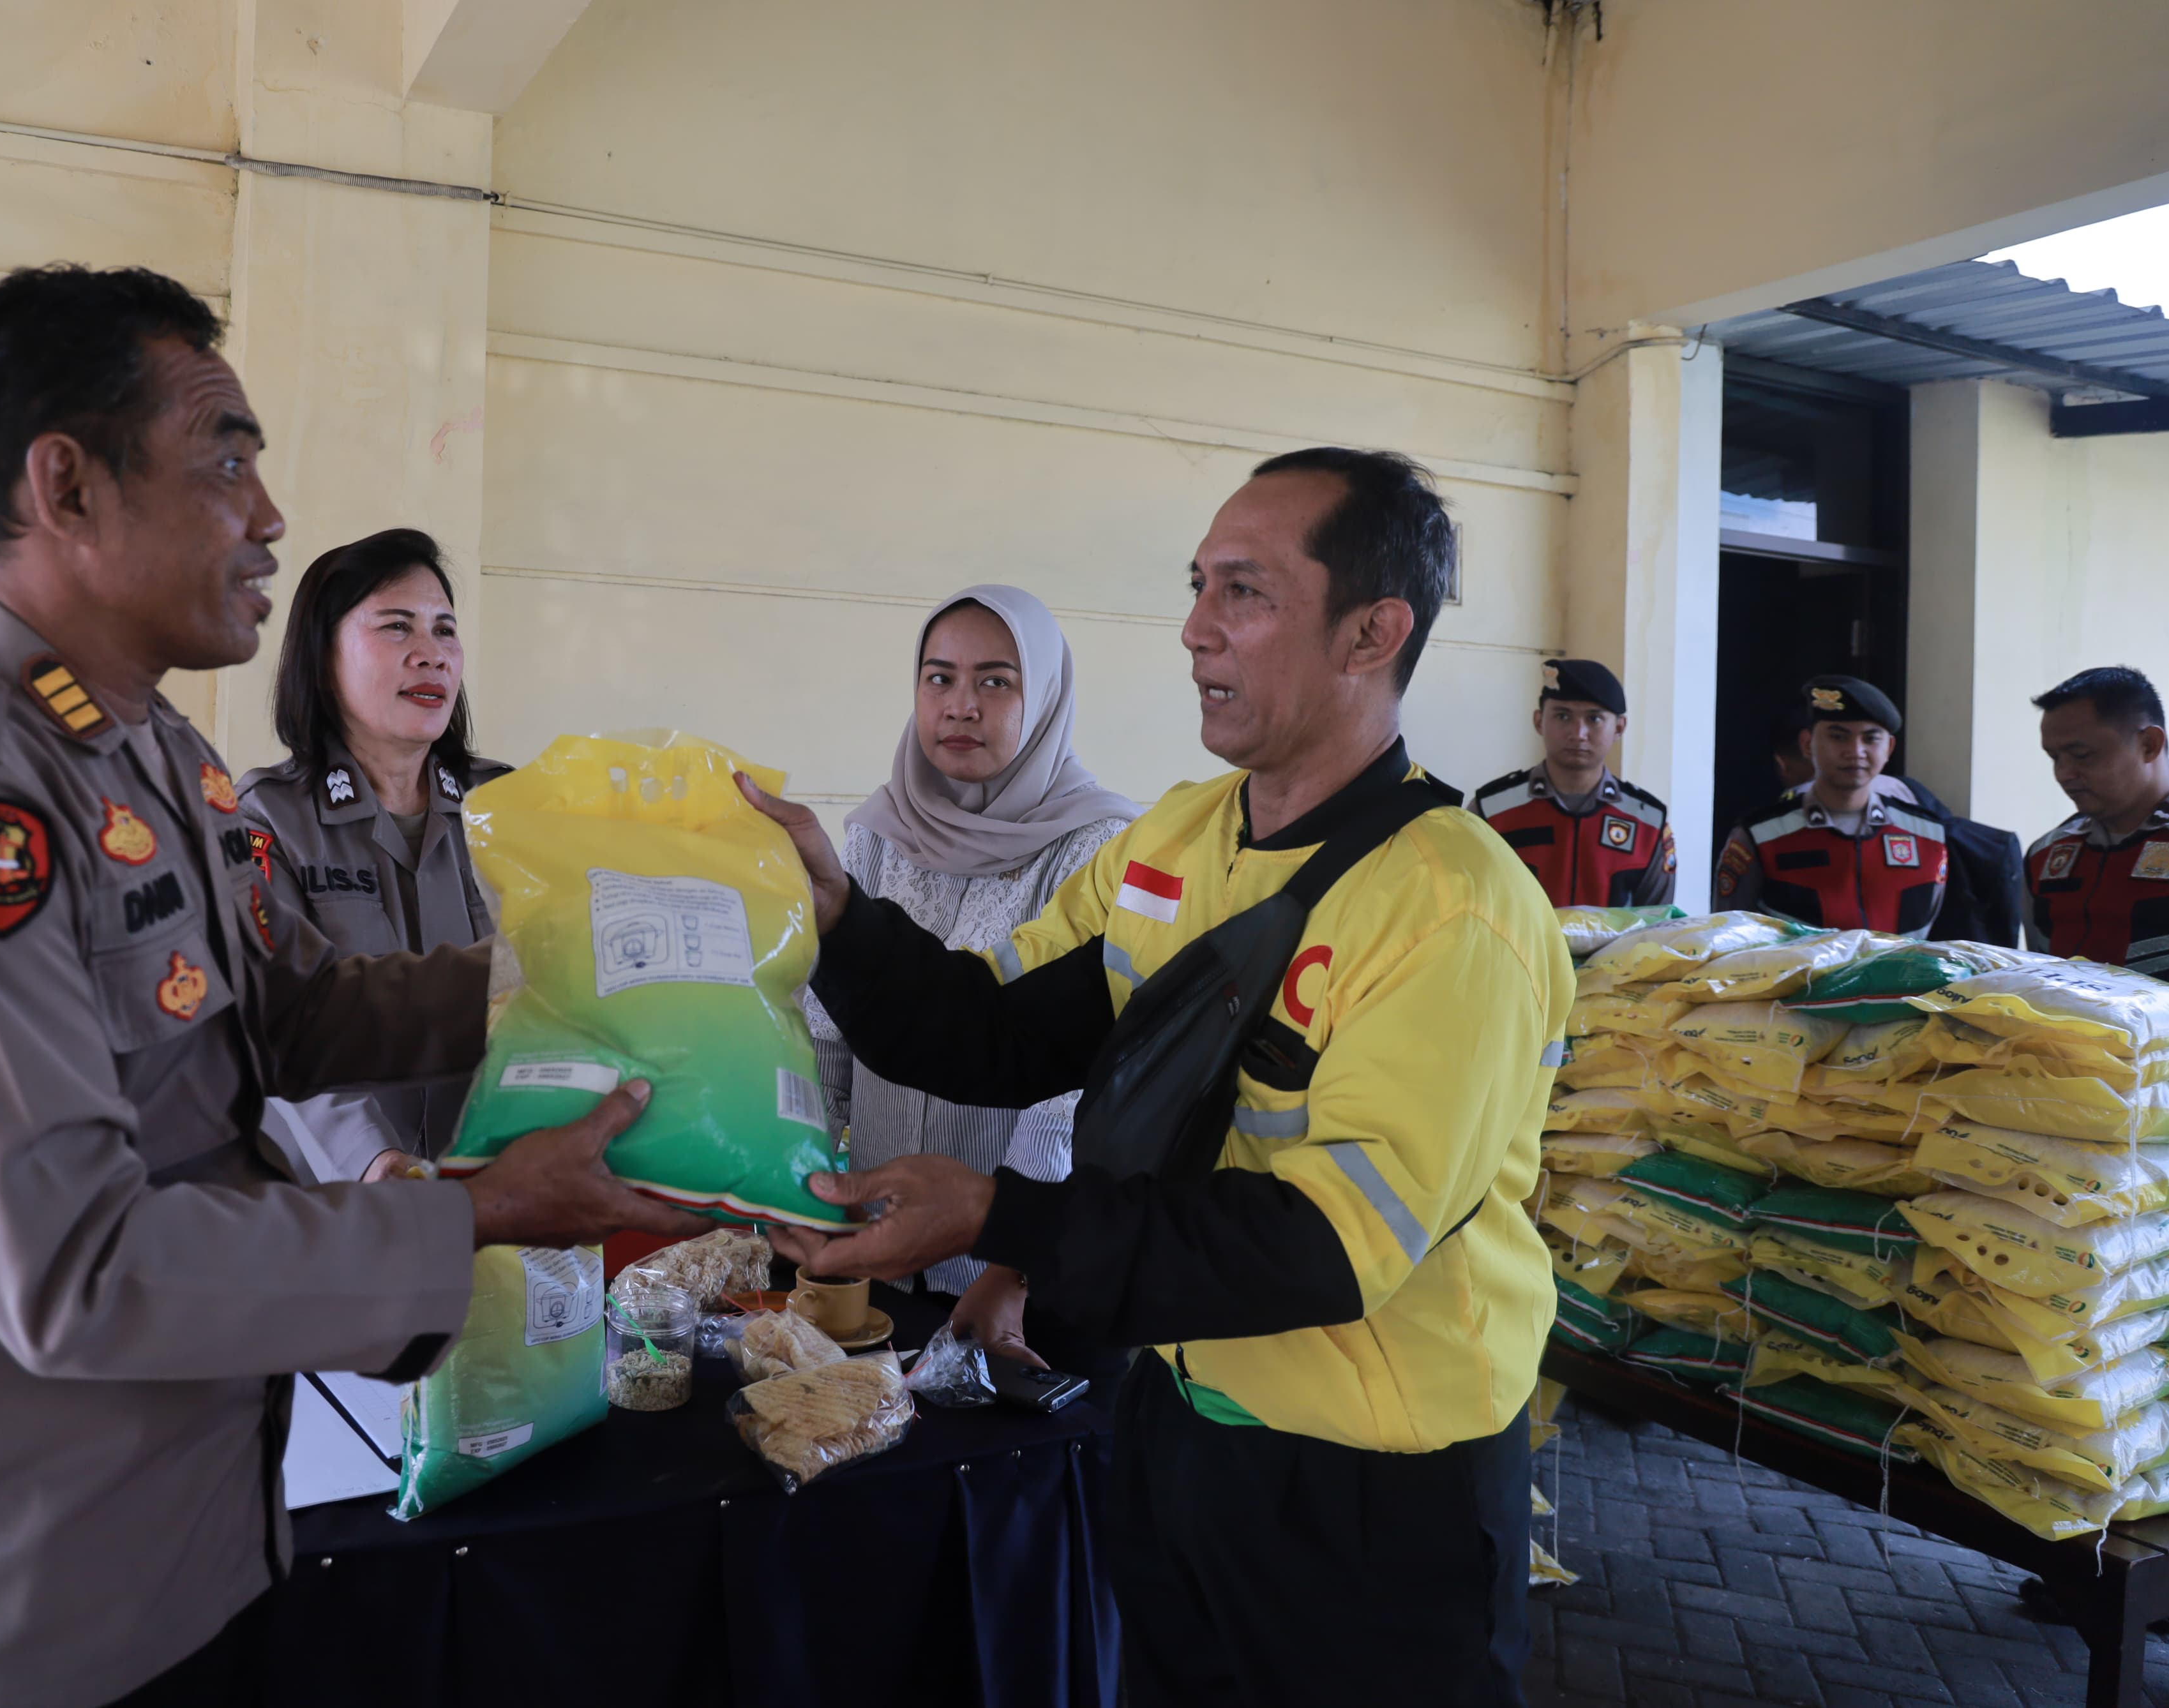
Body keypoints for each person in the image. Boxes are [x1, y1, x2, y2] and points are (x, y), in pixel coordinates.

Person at [0, 265, 697, 1708]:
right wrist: (480, 1207)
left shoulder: (149, 758)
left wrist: (589, 969)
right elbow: (82, 1272)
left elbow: (296, 1011)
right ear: (66, 486)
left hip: (198, 1563)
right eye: (229, 459)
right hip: (10, 1628)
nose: (269, 518)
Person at [743, 447, 1570, 1707]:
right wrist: (838, 913)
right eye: (1197, 586)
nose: (1193, 630)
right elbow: (990, 1029)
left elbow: (1319, 1249)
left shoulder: (1451, 909)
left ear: (1371, 632)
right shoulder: (1176, 843)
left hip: (1365, 1502)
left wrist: (999, 1219)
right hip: (1178, 1429)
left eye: (1242, 591)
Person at [804, 585, 1137, 1367]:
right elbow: (823, 1033)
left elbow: (1068, 1084)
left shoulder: (1093, 847)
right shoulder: (873, 836)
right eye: (938, 677)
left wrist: (1008, 1263)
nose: (960, 706)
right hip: (876, 1253)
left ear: (1044, 698)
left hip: (1016, 1282)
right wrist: (804, 1196)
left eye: (996, 681)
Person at [239, 528, 507, 1183]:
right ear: (322, 655)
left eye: (445, 630)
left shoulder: (506, 806)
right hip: (336, 1209)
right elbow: (272, 1018)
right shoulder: (266, 818)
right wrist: (372, 1158)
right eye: (397, 627)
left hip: (506, 1191)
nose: (432, 655)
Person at [1716, 675, 1948, 938]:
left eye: (1871, 739)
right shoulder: (1761, 836)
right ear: (1807, 745)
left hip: (1905, 979)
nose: (1856, 751)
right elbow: (1729, 940)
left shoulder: (1928, 834)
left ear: (1889, 748)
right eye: (1839, 737)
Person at [2025, 666, 2169, 981]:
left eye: (2082, 755)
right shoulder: (2046, 856)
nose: (2064, 774)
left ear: (2149, 745)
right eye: (2055, 757)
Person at [1468, 657, 1674, 907]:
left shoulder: (1648, 822)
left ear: (1619, 728)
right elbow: (1471, 905)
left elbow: (1657, 925)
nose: (1578, 734)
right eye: (1563, 716)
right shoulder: (1492, 810)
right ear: (1538, 721)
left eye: (1594, 719)